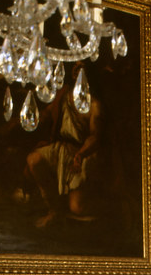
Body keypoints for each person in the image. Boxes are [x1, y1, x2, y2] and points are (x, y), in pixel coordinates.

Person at [25, 86, 105, 227]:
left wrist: (80, 154)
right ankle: (54, 210)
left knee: (77, 208)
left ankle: (116, 207)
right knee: (34, 160)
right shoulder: (65, 96)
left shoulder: (95, 104)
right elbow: (48, 113)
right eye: (75, 67)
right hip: (60, 149)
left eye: (81, 67)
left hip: (83, 153)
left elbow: (95, 137)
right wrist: (32, 117)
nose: (77, 72)